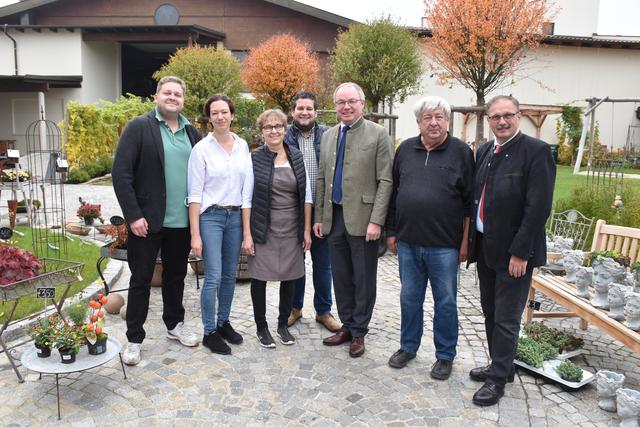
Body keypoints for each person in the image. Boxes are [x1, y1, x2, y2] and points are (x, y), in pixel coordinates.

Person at [468, 95, 555, 406]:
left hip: (514, 254)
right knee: (491, 311)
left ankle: (497, 381)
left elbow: (538, 207)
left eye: (508, 115)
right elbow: (477, 198)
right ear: (489, 120)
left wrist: (521, 252)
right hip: (486, 250)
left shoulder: (536, 152)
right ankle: (500, 366)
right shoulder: (485, 151)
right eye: (495, 117)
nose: (502, 121)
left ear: (519, 116)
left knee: (507, 317)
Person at [112, 76, 201, 366]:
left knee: (176, 278)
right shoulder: (140, 127)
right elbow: (121, 173)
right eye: (167, 93)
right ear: (156, 96)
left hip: (181, 222)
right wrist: (133, 215)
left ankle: (174, 325)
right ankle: (134, 339)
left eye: (178, 94)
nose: (173, 97)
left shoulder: (192, 132)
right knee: (140, 280)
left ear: (183, 99)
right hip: (146, 222)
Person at [386, 96, 474, 380]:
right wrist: (392, 231)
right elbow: (394, 193)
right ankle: (408, 346)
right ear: (419, 123)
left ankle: (445, 355)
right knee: (409, 298)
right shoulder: (405, 150)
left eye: (439, 117)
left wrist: (465, 242)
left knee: (445, 302)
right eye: (428, 118)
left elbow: (469, 202)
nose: (434, 122)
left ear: (448, 121)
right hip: (409, 243)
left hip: (445, 246)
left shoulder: (461, 152)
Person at [315, 82, 393, 358]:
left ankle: (359, 331)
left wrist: (377, 221)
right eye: (340, 102)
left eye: (351, 101)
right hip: (334, 218)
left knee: (363, 278)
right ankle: (347, 324)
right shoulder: (328, 135)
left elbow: (385, 180)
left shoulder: (378, 134)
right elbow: (323, 178)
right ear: (335, 106)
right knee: (341, 276)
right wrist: (319, 218)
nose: (346, 107)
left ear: (362, 104)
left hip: (363, 219)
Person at [187, 94, 253, 355]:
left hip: (235, 217)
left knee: (229, 275)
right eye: (215, 113)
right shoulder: (200, 150)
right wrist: (195, 235)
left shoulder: (243, 146)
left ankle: (223, 322)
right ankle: (209, 331)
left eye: (224, 112)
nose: (220, 117)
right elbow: (194, 195)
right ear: (209, 117)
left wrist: (247, 230)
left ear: (232, 115)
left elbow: (246, 191)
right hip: (211, 218)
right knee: (212, 276)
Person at [243, 109, 312, 348]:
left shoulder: (295, 155)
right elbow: (247, 199)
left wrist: (305, 230)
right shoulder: (255, 158)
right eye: (268, 127)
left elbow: (306, 195)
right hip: (263, 227)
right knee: (259, 278)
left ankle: (283, 324)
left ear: (285, 128)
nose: (274, 131)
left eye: (278, 126)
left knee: (290, 277)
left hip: (292, 227)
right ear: (262, 131)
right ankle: (262, 328)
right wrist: (247, 235)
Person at [284, 91, 341, 333]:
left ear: (316, 112)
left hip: (322, 210)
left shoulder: (330, 134)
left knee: (323, 263)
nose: (304, 112)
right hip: (292, 210)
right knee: (295, 263)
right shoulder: (283, 136)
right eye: (300, 108)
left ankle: (324, 311)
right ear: (292, 112)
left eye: (309, 108)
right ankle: (294, 308)